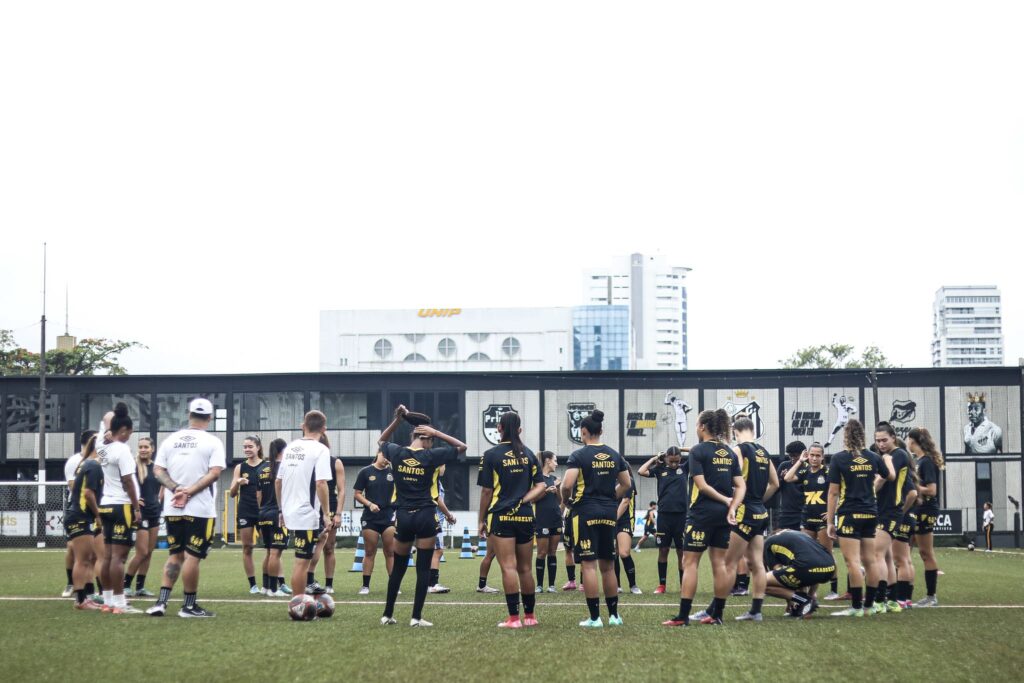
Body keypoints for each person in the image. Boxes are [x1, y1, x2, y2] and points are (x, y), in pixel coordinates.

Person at [378, 405, 467, 627]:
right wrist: (437, 432)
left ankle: (387, 615)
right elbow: (462, 447)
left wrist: (397, 420)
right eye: (431, 439)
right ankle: (416, 618)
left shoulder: (397, 452)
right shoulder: (431, 456)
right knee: (423, 569)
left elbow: (381, 441)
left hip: (403, 516)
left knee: (398, 567)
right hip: (426, 515)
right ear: (426, 438)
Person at [146, 398, 227, 618]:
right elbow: (215, 472)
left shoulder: (170, 440)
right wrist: (189, 491)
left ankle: (160, 603)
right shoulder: (213, 442)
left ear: (188, 414)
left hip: (173, 508)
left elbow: (158, 470)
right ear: (209, 418)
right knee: (192, 556)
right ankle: (188, 606)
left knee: (175, 555)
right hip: (199, 509)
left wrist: (176, 488)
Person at [663, 409, 744, 627]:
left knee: (689, 563)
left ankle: (682, 616)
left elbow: (702, 486)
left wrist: (727, 502)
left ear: (702, 427)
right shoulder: (728, 452)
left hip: (701, 514)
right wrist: (732, 505)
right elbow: (741, 485)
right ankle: (717, 615)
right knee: (719, 564)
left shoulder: (698, 451)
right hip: (724, 515)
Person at [560, 409, 632, 628]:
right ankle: (614, 616)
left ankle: (594, 618)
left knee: (589, 566)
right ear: (601, 431)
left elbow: (566, 485)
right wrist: (611, 498)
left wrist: (567, 500)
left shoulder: (579, 456)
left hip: (585, 513)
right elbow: (627, 484)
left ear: (583, 432)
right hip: (610, 513)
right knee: (608, 566)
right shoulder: (614, 454)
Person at [479, 411, 546, 628]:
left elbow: (487, 492)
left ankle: (514, 619)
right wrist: (524, 499)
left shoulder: (490, 455)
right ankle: (530, 616)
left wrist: (481, 519)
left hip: (501, 516)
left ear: (499, 428)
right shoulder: (529, 455)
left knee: (508, 567)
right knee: (525, 568)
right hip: (526, 516)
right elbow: (541, 486)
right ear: (519, 430)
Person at [826, 419, 894, 617]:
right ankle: (870, 605)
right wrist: (886, 461)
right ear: (863, 435)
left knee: (853, 562)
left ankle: (856, 607)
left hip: (849, 514)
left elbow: (833, 493)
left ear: (845, 436)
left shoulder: (839, 459)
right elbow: (889, 476)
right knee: (870, 561)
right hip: (871, 513)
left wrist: (830, 522)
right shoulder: (873, 457)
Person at [276, 411, 335, 603]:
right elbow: (321, 483)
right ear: (324, 429)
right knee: (302, 562)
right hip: (306, 512)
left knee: (303, 559)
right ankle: (298, 604)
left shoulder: (290, 448)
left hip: (290, 510)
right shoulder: (321, 450)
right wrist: (326, 514)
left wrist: (281, 510)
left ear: (304, 425)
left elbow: (278, 481)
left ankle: (300, 601)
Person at [97, 403, 142, 614]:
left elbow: (106, 419)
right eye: (129, 433)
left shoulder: (102, 447)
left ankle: (108, 601)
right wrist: (136, 507)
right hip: (120, 505)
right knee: (119, 557)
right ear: (123, 430)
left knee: (107, 556)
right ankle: (120, 604)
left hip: (105, 505)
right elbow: (128, 481)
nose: (129, 437)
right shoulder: (122, 449)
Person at [784, 442, 839, 599]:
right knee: (806, 554)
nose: (814, 458)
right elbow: (788, 478)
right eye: (812, 455)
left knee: (827, 554)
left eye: (817, 455)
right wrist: (801, 461)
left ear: (823, 457)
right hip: (807, 518)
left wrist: (832, 513)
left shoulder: (828, 472)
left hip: (822, 520)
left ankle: (834, 589)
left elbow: (840, 493)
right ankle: (808, 591)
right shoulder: (804, 471)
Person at [872, 422, 917, 613]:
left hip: (889, 511)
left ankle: (880, 600)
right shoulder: (885, 456)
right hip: (884, 510)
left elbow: (884, 478)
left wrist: (867, 492)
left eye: (884, 440)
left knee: (877, 555)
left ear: (893, 437)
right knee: (888, 557)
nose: (881, 444)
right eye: (877, 441)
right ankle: (892, 599)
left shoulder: (897, 455)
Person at [638, 447, 688, 594]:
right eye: (671, 461)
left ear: (680, 459)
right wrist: (655, 458)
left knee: (681, 551)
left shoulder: (685, 468)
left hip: (681, 516)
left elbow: (697, 450)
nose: (674, 464)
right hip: (665, 516)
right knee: (663, 550)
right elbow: (641, 471)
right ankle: (662, 585)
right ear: (666, 458)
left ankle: (683, 584)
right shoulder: (659, 470)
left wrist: (682, 449)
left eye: (677, 461)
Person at [763, 529, 837, 618]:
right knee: (803, 572)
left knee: (760, 583)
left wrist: (790, 601)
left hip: (807, 567)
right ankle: (806, 602)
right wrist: (810, 593)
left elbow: (779, 574)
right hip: (830, 569)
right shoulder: (801, 535)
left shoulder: (769, 543)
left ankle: (804, 601)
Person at [67, 434, 103, 610]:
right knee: (82, 560)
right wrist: (98, 515)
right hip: (80, 516)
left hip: (80, 516)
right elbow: (88, 494)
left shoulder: (86, 463)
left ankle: (86, 597)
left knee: (88, 558)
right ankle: (80, 600)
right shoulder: (93, 465)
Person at [908, 427, 944, 607]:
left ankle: (931, 597)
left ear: (914, 442)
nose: (907, 443)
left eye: (909, 440)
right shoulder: (919, 461)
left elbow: (932, 490)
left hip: (925, 510)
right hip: (917, 510)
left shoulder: (927, 462)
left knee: (926, 552)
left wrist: (912, 487)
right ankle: (903, 594)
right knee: (906, 549)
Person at [353, 449, 397, 595]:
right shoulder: (365, 472)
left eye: (388, 457)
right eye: (384, 455)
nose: (386, 459)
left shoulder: (393, 472)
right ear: (378, 453)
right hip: (370, 518)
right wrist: (370, 504)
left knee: (390, 552)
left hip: (388, 516)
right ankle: (365, 585)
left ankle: (394, 585)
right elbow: (357, 494)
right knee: (370, 552)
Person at [307, 434, 345, 595]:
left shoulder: (335, 462)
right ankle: (309, 580)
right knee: (310, 546)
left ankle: (329, 584)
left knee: (328, 547)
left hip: (329, 506)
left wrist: (338, 514)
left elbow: (341, 490)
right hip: (309, 506)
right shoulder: (307, 461)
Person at [124, 437, 162, 597]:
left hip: (155, 512)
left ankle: (140, 587)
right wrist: (133, 502)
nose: (143, 449)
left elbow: (162, 486)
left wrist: (159, 499)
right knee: (141, 551)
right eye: (141, 447)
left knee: (149, 552)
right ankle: (125, 585)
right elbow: (124, 484)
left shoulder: (156, 468)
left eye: (146, 447)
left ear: (152, 449)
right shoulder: (133, 466)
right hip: (141, 513)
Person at [229, 435, 266, 594]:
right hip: (245, 510)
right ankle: (253, 585)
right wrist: (238, 483)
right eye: (245, 447)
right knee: (247, 547)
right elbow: (232, 494)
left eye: (250, 446)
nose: (247, 450)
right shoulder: (240, 468)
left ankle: (274, 583)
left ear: (258, 447)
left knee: (271, 548)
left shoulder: (266, 466)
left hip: (263, 510)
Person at [62, 429, 97, 598]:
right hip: (78, 507)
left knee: (91, 553)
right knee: (74, 549)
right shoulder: (76, 461)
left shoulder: (96, 462)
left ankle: (89, 591)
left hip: (89, 508)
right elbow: (74, 487)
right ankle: (73, 586)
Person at [257, 438, 289, 596]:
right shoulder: (285, 467)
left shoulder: (262, 469)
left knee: (269, 552)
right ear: (282, 450)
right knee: (276, 553)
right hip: (277, 514)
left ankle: (265, 586)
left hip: (263, 513)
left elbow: (258, 495)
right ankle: (273, 589)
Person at [533, 451, 562, 593]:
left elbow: (560, 501)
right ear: (548, 461)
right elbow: (532, 499)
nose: (557, 463)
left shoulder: (555, 478)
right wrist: (546, 490)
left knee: (552, 552)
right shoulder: (537, 479)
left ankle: (551, 586)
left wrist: (558, 489)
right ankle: (539, 585)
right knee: (541, 552)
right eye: (555, 460)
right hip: (542, 519)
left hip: (556, 519)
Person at [428, 465, 457, 594]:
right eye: (443, 466)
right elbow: (438, 500)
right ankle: (432, 584)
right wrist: (449, 515)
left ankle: (428, 583)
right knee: (438, 551)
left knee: (429, 552)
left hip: (429, 518)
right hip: (433, 520)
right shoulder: (434, 480)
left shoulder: (431, 480)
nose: (444, 469)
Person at [614, 462, 642, 595]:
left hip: (624, 521)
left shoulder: (629, 481)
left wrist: (614, 519)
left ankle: (633, 585)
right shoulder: (610, 482)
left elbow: (625, 502)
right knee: (613, 554)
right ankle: (617, 585)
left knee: (624, 553)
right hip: (610, 520)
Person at [775, 441, 806, 532]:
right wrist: (781, 478)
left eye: (795, 456)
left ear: (803, 454)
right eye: (790, 456)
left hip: (803, 512)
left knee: (802, 542)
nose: (792, 458)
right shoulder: (784, 465)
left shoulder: (808, 467)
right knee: (783, 542)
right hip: (786, 512)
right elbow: (776, 488)